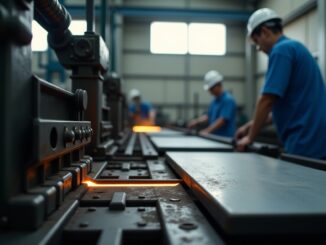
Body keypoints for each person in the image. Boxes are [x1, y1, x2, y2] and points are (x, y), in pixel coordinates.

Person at [236, 8, 326, 159]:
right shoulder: (296, 48)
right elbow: (283, 109)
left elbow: (266, 100)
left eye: (257, 42)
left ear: (264, 31)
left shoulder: (281, 50)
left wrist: (250, 138)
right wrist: (249, 126)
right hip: (316, 138)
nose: (259, 49)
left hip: (304, 140)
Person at [188, 70, 236, 137]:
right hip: (215, 138)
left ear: (218, 85)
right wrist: (196, 121)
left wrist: (207, 131)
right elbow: (208, 116)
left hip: (225, 140)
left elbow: (222, 120)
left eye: (211, 88)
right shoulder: (214, 100)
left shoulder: (228, 100)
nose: (210, 91)